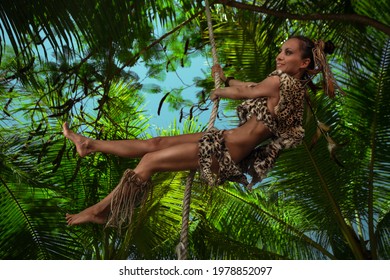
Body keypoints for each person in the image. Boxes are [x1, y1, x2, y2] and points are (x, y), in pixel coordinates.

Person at [64, 35, 338, 228]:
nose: (280, 56)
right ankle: (90, 145)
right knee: (155, 143)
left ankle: (102, 210)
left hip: (226, 152)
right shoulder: (291, 90)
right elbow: (252, 85)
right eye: (281, 50)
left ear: (304, 63)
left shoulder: (282, 83)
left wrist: (221, 90)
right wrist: (226, 77)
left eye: (288, 52)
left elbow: (249, 91)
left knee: (149, 162)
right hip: (222, 139)